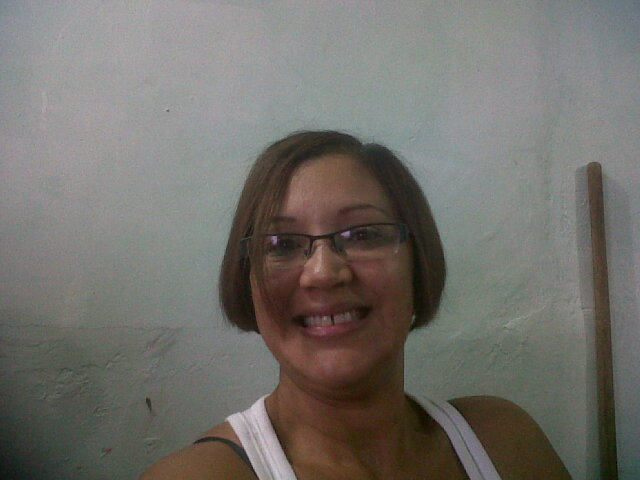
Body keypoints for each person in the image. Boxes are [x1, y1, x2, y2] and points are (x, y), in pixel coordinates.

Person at [141, 130, 571, 479]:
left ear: (418, 262)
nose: (323, 273)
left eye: (363, 235)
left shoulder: (506, 443)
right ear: (245, 279)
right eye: (282, 244)